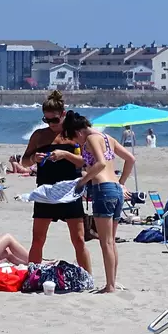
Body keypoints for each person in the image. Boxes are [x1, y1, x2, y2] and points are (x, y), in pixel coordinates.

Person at [62, 111, 135, 293]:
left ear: (78, 133)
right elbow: (130, 159)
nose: (78, 144)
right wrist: (121, 183)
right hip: (116, 190)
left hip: (103, 190)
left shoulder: (91, 140)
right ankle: (113, 281)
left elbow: (100, 164)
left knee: (106, 242)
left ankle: (110, 285)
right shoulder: (107, 137)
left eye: (76, 140)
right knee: (111, 241)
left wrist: (82, 181)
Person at [21, 90, 91, 272]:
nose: (51, 124)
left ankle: (88, 276)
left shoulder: (74, 135)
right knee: (38, 239)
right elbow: (24, 161)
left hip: (70, 190)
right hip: (46, 190)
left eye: (54, 119)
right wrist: (34, 159)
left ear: (63, 114)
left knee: (78, 239)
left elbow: (85, 162)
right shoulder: (39, 135)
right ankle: (33, 276)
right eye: (47, 120)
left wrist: (65, 154)